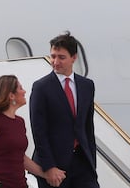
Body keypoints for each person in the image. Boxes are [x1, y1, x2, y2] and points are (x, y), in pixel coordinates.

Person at [29, 32, 100, 188]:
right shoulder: (41, 87)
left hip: (82, 164)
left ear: (74, 57)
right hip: (54, 166)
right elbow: (39, 131)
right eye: (53, 56)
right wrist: (49, 167)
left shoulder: (87, 86)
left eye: (61, 57)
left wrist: (92, 164)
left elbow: (88, 127)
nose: (55, 62)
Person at [0, 75, 58, 188]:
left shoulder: (19, 122)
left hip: (20, 184)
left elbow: (21, 158)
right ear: (11, 96)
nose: (24, 91)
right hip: (0, 183)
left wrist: (46, 174)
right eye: (20, 88)